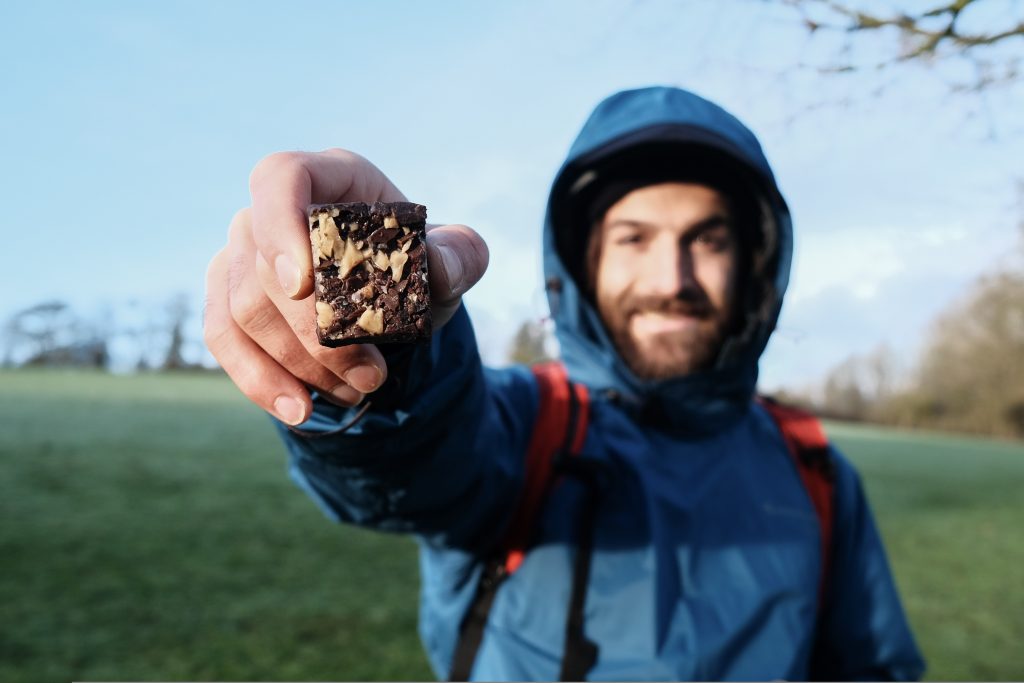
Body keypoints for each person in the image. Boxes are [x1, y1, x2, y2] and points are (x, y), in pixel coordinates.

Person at [204, 86, 925, 680]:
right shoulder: (536, 425)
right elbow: (425, 450)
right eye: (634, 238)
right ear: (583, 262)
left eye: (707, 239)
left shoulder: (817, 471)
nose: (673, 281)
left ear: (756, 264)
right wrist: (377, 342)